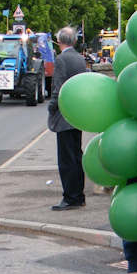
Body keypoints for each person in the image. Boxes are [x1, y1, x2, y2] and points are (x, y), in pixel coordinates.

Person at [47, 25, 88, 210]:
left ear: (59, 41)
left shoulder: (61, 60)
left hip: (64, 116)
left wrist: (51, 107)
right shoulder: (80, 59)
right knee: (76, 157)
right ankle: (78, 195)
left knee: (66, 160)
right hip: (77, 114)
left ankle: (70, 197)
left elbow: (58, 89)